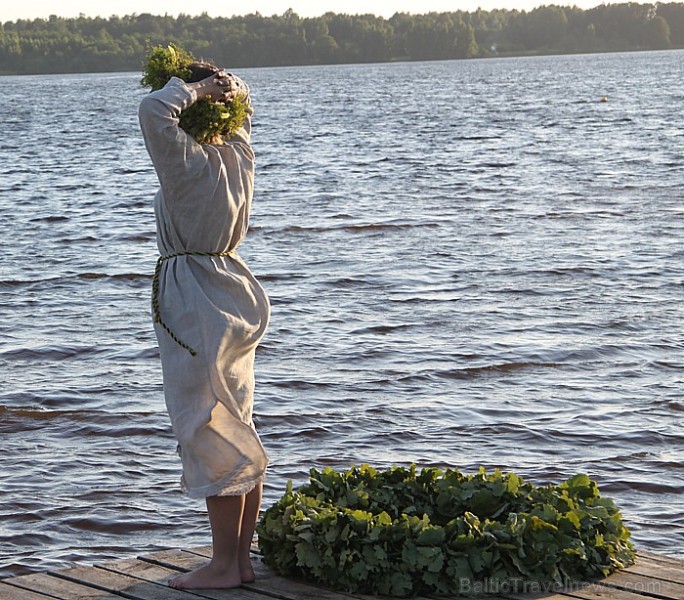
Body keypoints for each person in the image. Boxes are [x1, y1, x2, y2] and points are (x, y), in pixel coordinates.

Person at [138, 63, 270, 589]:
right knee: (236, 420)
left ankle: (220, 566)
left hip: (194, 295)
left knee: (205, 425)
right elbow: (244, 113)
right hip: (235, 291)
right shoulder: (239, 156)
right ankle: (239, 562)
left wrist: (191, 88)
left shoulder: (186, 164)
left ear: (189, 115)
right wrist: (230, 89)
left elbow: (153, 111)